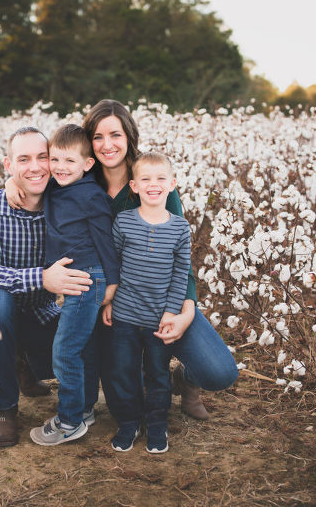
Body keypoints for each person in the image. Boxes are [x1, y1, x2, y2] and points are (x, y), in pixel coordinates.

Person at [6, 100, 239, 422]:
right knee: (125, 406)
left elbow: (178, 256)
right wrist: (11, 183)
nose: (107, 145)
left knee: (219, 372)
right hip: (108, 301)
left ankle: (186, 380)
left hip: (161, 296)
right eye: (98, 137)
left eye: (114, 134)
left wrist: (186, 311)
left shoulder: (151, 182)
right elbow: (37, 176)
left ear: (129, 135)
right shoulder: (77, 179)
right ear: (88, 148)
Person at [0, 126, 93, 447]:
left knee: (85, 357)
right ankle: (2, 408)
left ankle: (23, 365)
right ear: (9, 166)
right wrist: (41, 277)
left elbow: (90, 167)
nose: (34, 167)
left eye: (42, 157)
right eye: (23, 160)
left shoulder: (63, 204)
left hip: (40, 312)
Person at [29, 124, 119, 446]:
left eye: (69, 161)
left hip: (87, 278)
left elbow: (105, 240)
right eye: (55, 160)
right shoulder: (55, 186)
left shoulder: (91, 195)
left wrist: (111, 282)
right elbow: (31, 185)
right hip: (71, 279)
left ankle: (69, 421)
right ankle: (84, 409)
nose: (60, 168)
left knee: (65, 349)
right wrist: (13, 182)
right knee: (82, 346)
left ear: (87, 164)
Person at [102, 152, 190, 453]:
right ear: (134, 186)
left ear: (173, 184)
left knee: (157, 375)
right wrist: (109, 302)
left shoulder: (180, 228)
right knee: (123, 372)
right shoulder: (124, 221)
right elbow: (113, 264)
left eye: (161, 179)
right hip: (125, 315)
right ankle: (129, 423)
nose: (154, 185)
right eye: (146, 179)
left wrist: (170, 312)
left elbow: (181, 275)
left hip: (158, 320)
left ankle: (156, 425)